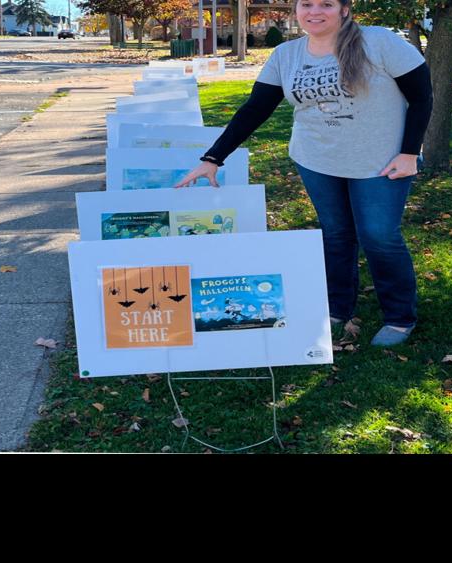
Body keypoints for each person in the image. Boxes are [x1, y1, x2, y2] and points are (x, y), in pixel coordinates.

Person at [176, 0, 433, 348]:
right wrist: (213, 157)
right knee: (336, 234)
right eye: (306, 4)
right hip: (317, 161)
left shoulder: (379, 42)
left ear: (344, 9)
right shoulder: (286, 55)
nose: (315, 11)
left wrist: (409, 153)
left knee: (379, 236)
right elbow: (256, 109)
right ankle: (338, 308)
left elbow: (422, 97)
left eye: (326, 4)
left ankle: (399, 317)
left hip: (381, 162)